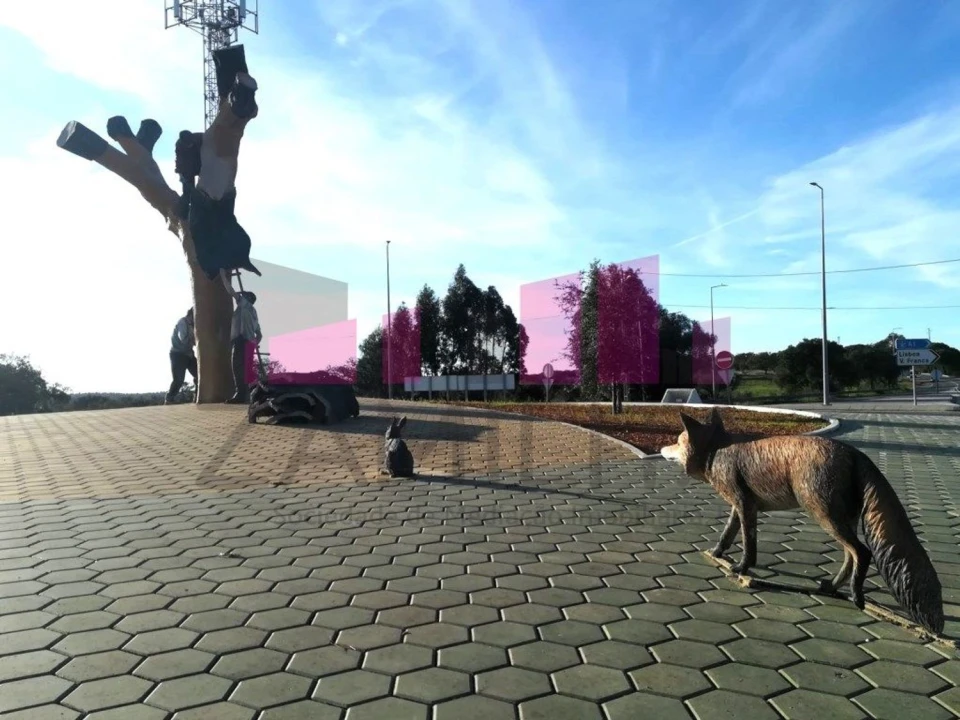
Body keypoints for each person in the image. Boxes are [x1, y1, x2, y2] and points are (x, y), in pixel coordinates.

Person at [223, 273, 263, 403]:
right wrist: (255, 343)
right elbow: (260, 334)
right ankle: (251, 394)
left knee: (237, 368)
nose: (240, 297)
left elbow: (230, 290)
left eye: (243, 296)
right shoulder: (254, 313)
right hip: (249, 342)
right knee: (247, 370)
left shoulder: (244, 305)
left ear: (247, 299)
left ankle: (240, 395)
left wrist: (223, 275)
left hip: (241, 341)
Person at [167, 308, 197, 404]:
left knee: (199, 375)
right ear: (191, 315)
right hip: (178, 354)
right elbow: (182, 338)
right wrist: (194, 340)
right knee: (179, 379)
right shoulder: (182, 322)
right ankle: (169, 399)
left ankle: (197, 396)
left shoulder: (193, 325)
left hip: (189, 354)